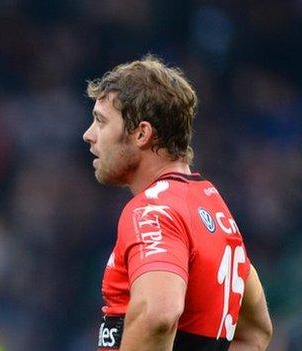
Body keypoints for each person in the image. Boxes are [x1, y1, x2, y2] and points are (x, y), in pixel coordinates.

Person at [83, 56, 272, 350]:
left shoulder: (153, 212)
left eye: (101, 122)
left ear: (141, 134)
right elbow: (255, 331)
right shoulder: (212, 207)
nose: (89, 135)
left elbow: (158, 315)